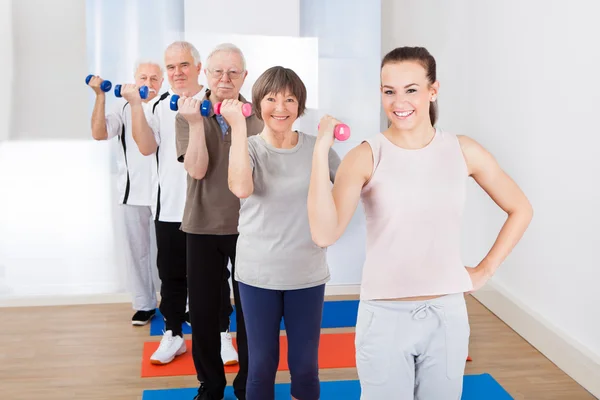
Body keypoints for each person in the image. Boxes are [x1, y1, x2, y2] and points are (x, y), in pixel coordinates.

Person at [307, 46, 534, 399]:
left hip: (446, 314)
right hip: (383, 316)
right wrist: (321, 150)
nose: (399, 101)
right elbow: (324, 233)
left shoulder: (463, 150)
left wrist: (486, 270)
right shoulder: (367, 155)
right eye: (389, 91)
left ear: (433, 90)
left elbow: (521, 208)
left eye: (411, 89)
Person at [224, 66, 341, 400]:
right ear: (257, 103)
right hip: (258, 275)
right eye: (272, 98)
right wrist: (236, 129)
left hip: (307, 273)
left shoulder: (318, 148)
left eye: (290, 99)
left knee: (305, 366)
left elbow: (355, 185)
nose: (281, 107)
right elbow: (241, 187)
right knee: (261, 366)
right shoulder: (247, 147)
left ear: (300, 106)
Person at [125, 41, 236, 366]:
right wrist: (135, 106)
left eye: (183, 65)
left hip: (208, 209)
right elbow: (146, 148)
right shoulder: (157, 105)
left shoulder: (216, 101)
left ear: (198, 68)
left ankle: (221, 334)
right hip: (170, 208)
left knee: (215, 278)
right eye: (170, 67)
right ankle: (173, 334)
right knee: (171, 276)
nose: (176, 72)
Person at [175, 43, 264, 400]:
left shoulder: (258, 114)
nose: (225, 79)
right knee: (204, 313)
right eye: (217, 72)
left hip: (251, 227)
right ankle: (210, 386)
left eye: (233, 72)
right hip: (202, 226)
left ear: (244, 75)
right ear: (206, 75)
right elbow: (196, 169)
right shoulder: (188, 113)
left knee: (251, 315)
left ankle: (248, 386)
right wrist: (197, 123)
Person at [88, 61, 163, 326]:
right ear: (134, 80)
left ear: (162, 82)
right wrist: (100, 96)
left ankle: (184, 304)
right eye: (143, 77)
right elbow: (99, 133)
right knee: (138, 252)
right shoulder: (123, 107)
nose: (149, 83)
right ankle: (144, 304)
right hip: (135, 194)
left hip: (168, 195)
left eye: (155, 78)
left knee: (175, 253)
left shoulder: (168, 105)